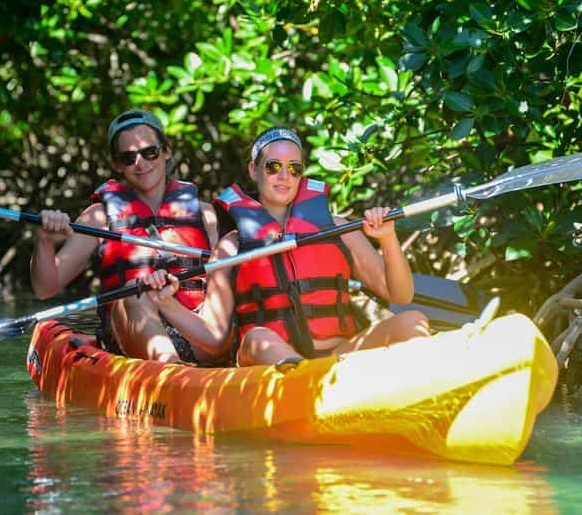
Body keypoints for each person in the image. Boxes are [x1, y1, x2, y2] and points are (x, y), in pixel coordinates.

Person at [142, 125, 430, 367]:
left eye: (294, 169)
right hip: (272, 370)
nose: (285, 176)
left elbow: (400, 294)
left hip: (340, 360)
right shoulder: (232, 247)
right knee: (258, 337)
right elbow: (215, 339)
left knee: (411, 320)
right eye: (274, 166)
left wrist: (388, 239)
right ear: (254, 170)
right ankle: (305, 389)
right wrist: (166, 304)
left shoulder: (337, 228)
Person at [29, 109, 224, 365]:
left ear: (166, 151)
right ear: (117, 164)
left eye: (149, 152)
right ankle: (172, 372)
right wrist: (44, 241)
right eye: (128, 157)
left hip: (197, 330)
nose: (140, 163)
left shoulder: (205, 214)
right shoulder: (99, 218)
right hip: (132, 334)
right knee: (136, 292)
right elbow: (45, 288)